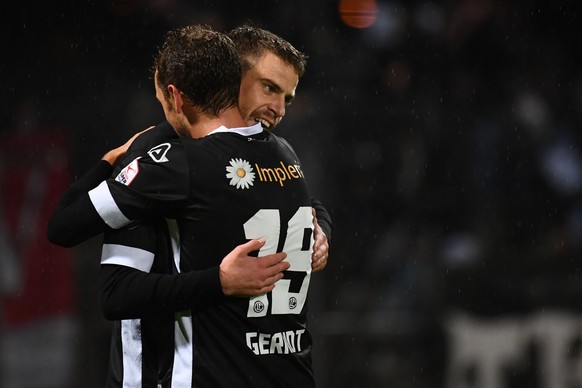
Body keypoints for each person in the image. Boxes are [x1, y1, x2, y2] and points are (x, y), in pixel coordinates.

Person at [48, 25, 326, 387]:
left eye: (286, 98)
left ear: (175, 97)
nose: (278, 109)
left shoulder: (178, 163)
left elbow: (74, 241)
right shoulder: (281, 156)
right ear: (232, 79)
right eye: (269, 88)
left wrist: (105, 163)